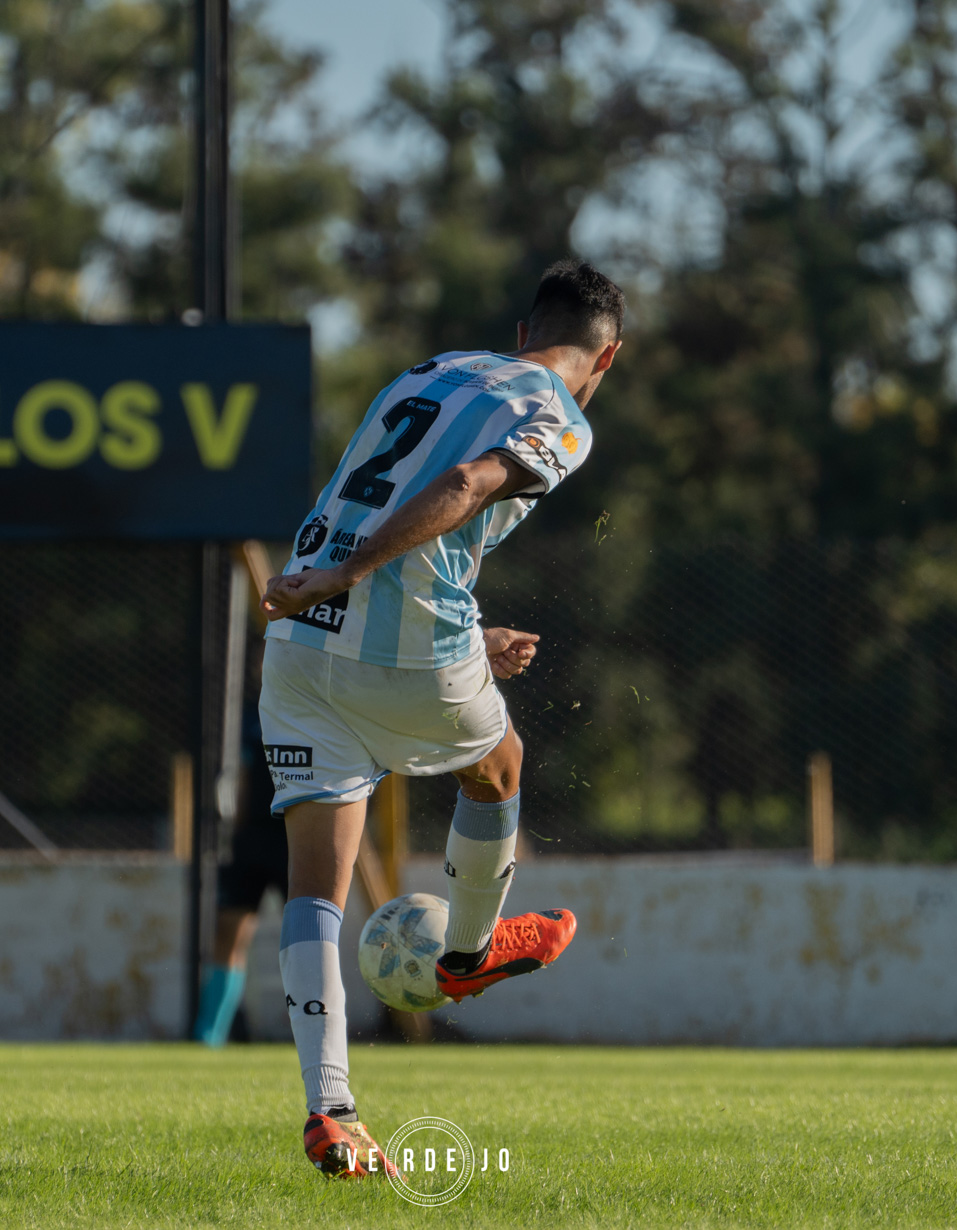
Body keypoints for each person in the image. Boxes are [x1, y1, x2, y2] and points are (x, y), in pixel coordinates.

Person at [257, 259, 624, 1178]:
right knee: (499, 768)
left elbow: (384, 495)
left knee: (314, 890)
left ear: (520, 333)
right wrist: (368, 586)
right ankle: (465, 955)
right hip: (389, 627)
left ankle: (331, 1112)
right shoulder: (563, 418)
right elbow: (465, 482)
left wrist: (394, 604)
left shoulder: (427, 371)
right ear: (606, 359)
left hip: (300, 637)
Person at [193, 692, 287, 1047]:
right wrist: (239, 833)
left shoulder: (321, 698)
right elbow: (245, 775)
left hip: (298, 834)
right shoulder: (252, 714)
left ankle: (318, 1030)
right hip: (253, 837)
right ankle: (208, 1037)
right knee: (229, 931)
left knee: (305, 933)